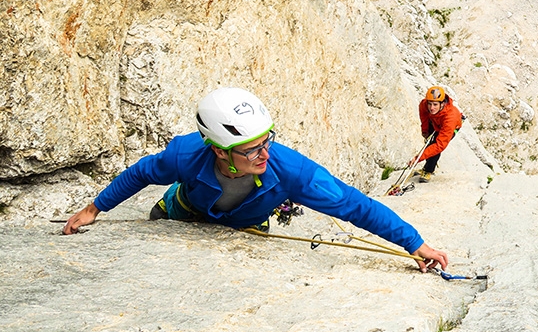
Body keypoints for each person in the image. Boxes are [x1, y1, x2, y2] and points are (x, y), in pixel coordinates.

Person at [64, 87, 448, 272]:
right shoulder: (184, 154)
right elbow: (143, 172)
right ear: (218, 150)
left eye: (268, 141)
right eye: (251, 149)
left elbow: (352, 204)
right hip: (180, 210)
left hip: (247, 225)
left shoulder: (291, 171)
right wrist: (94, 209)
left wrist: (414, 243)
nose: (265, 154)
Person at [410, 86, 464, 183]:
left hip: (450, 126)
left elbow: (440, 145)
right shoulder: (424, 104)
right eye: (430, 104)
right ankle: (428, 165)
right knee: (429, 142)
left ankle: (428, 170)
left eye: (435, 104)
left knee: (434, 145)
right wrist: (425, 131)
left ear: (442, 103)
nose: (431, 107)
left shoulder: (450, 117)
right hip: (435, 120)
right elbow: (424, 117)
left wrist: (418, 158)